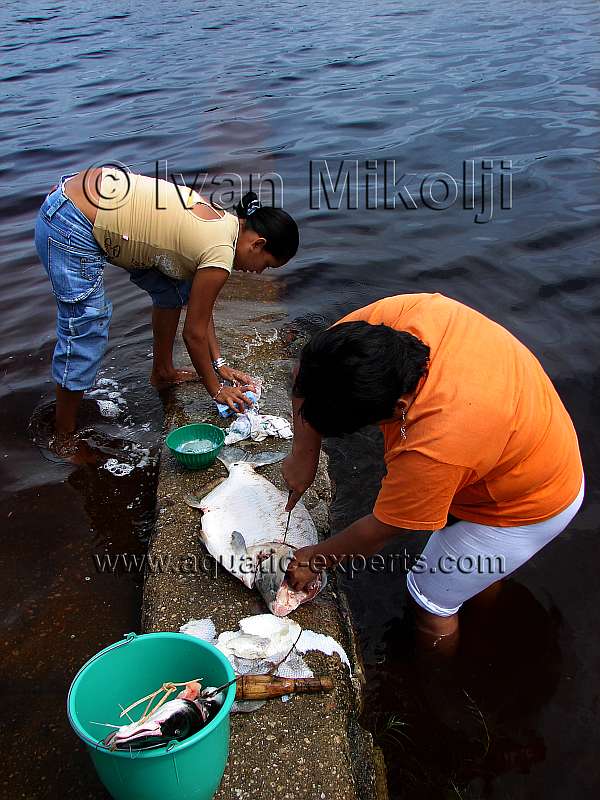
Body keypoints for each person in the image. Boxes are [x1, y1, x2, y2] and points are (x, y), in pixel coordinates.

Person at [283, 293, 584, 645]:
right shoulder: (396, 321)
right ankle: (481, 587)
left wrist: (314, 559)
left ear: (399, 409)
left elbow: (382, 529)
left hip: (529, 502)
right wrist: (305, 451)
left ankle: (439, 683)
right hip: (518, 439)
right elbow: (306, 369)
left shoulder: (436, 444)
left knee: (430, 599)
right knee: (474, 570)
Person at [34, 165, 298, 452]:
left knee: (173, 290)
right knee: (86, 326)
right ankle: (64, 436)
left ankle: (163, 371)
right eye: (267, 266)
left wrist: (219, 365)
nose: (259, 273)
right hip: (71, 222)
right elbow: (193, 333)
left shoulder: (225, 223)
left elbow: (201, 310)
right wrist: (217, 390)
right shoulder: (220, 255)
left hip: (81, 191)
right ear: (257, 244)